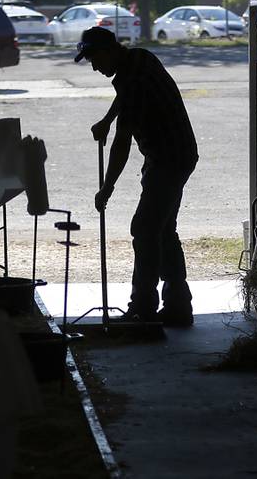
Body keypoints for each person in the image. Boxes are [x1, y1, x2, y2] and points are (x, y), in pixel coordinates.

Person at [75, 27, 199, 327]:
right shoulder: (139, 59)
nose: (94, 66)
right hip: (175, 154)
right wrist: (106, 119)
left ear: (109, 50)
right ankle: (178, 307)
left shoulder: (134, 77)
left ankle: (142, 308)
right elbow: (124, 95)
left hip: (169, 158)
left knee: (144, 229)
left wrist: (107, 187)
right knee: (163, 230)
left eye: (94, 58)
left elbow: (121, 143)